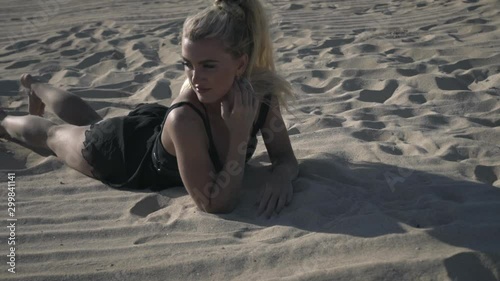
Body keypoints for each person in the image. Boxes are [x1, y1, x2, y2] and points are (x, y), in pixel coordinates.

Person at [0, 0, 298, 218]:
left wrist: (282, 176)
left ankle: (36, 86)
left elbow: (284, 157)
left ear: (241, 65)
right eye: (187, 64)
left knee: (91, 121)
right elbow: (214, 203)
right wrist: (238, 135)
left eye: (208, 65)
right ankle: (5, 119)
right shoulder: (186, 116)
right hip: (123, 156)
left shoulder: (261, 97)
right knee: (54, 135)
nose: (195, 78)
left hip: (153, 130)